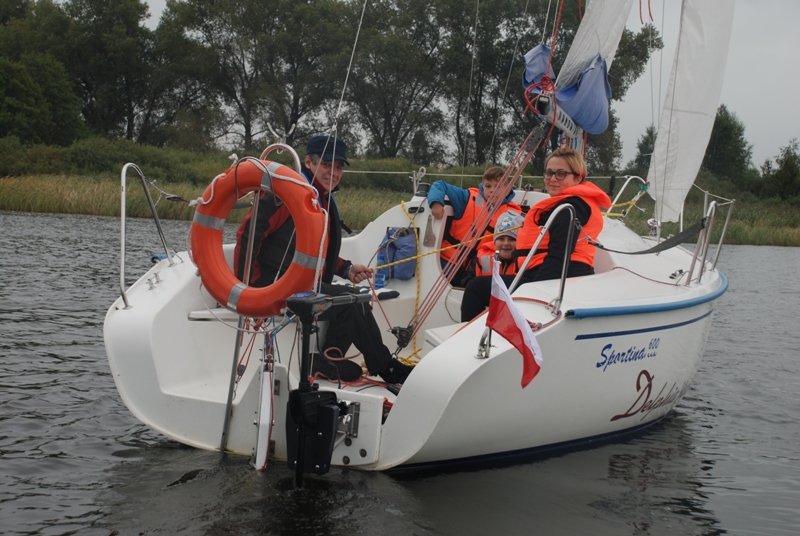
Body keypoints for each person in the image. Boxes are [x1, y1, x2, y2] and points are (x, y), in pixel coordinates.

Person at [234, 134, 414, 384]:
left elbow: (315, 251)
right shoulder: (286, 195)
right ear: (308, 162)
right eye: (327, 164)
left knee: (355, 297)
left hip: (299, 284)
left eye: (339, 167)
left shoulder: (320, 198)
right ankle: (386, 368)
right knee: (353, 303)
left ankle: (330, 358)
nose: (334, 172)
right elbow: (247, 235)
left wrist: (346, 269)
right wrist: (249, 288)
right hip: (272, 284)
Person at [460, 147, 612, 321]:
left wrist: (533, 293)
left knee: (475, 288)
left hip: (553, 279)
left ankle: (471, 336)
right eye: (549, 173)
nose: (552, 179)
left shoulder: (570, 208)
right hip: (547, 275)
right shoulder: (570, 203)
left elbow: (559, 256)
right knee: (479, 286)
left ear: (578, 177)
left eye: (561, 174)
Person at [427, 166, 521, 287]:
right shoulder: (467, 198)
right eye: (488, 186)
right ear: (483, 186)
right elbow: (440, 185)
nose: (492, 190)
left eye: (498, 186)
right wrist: (436, 203)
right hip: (447, 262)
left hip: (477, 268)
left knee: (477, 286)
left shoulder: (513, 214)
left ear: (507, 189)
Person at [474, 210, 524, 276]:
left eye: (512, 239)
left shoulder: (526, 263)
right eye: (501, 239)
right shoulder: (483, 259)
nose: (506, 243)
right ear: (494, 242)